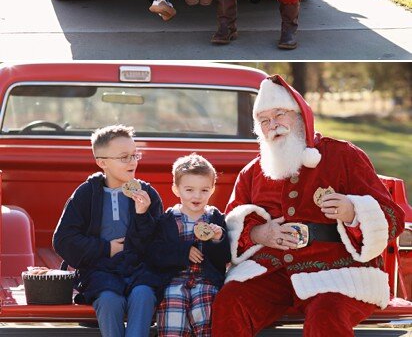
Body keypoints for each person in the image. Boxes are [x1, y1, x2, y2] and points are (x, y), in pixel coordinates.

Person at [211, 76, 405, 337]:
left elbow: (393, 218)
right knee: (230, 302)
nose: (273, 125)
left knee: (326, 315)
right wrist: (258, 234)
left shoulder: (343, 155)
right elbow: (231, 223)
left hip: (337, 270)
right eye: (264, 121)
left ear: (300, 115)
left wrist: (353, 211)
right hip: (271, 271)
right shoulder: (253, 171)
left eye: (280, 115)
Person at [53, 124, 164, 337]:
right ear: (102, 162)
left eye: (135, 155)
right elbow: (64, 239)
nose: (132, 162)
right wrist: (106, 248)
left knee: (143, 294)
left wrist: (142, 215)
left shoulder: (147, 193)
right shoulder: (86, 194)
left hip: (139, 268)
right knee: (109, 300)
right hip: (100, 270)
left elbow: (158, 243)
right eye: (124, 157)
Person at [147, 153, 231, 336]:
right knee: (172, 306)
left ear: (212, 189)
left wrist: (218, 239)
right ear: (176, 189)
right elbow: (155, 254)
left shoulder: (215, 218)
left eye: (204, 190)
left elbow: (224, 258)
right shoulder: (167, 220)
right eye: (189, 189)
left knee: (207, 308)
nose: (197, 196)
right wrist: (183, 252)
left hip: (206, 280)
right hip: (174, 280)